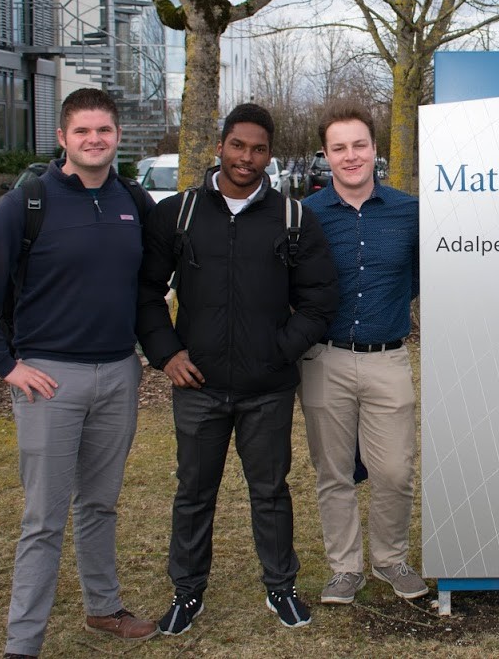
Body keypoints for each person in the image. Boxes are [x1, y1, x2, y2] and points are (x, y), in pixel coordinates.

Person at [0, 87, 157, 658]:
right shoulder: (29, 202)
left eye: (105, 131)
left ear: (118, 137)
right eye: (83, 131)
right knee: (44, 517)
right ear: (62, 138)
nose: (95, 140)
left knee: (101, 502)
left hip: (118, 374)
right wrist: (7, 365)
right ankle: (23, 642)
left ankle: (104, 607)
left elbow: (147, 287)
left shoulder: (132, 203)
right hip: (50, 381)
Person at [137, 103, 338, 633]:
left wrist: (280, 351)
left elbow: (320, 299)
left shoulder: (294, 218)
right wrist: (167, 353)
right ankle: (186, 592)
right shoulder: (178, 214)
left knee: (270, 491)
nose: (247, 158)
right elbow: (146, 293)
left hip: (266, 389)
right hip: (198, 387)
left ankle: (281, 588)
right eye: (238, 145)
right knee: (193, 492)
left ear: (270, 155)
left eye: (259, 149)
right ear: (220, 146)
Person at [299, 99, 426, 604]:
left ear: (376, 150)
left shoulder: (409, 211)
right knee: (333, 472)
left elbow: (420, 275)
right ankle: (345, 569)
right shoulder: (305, 215)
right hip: (323, 359)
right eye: (338, 148)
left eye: (359, 145)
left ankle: (391, 559)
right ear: (325, 155)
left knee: (395, 469)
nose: (350, 156)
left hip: (387, 358)